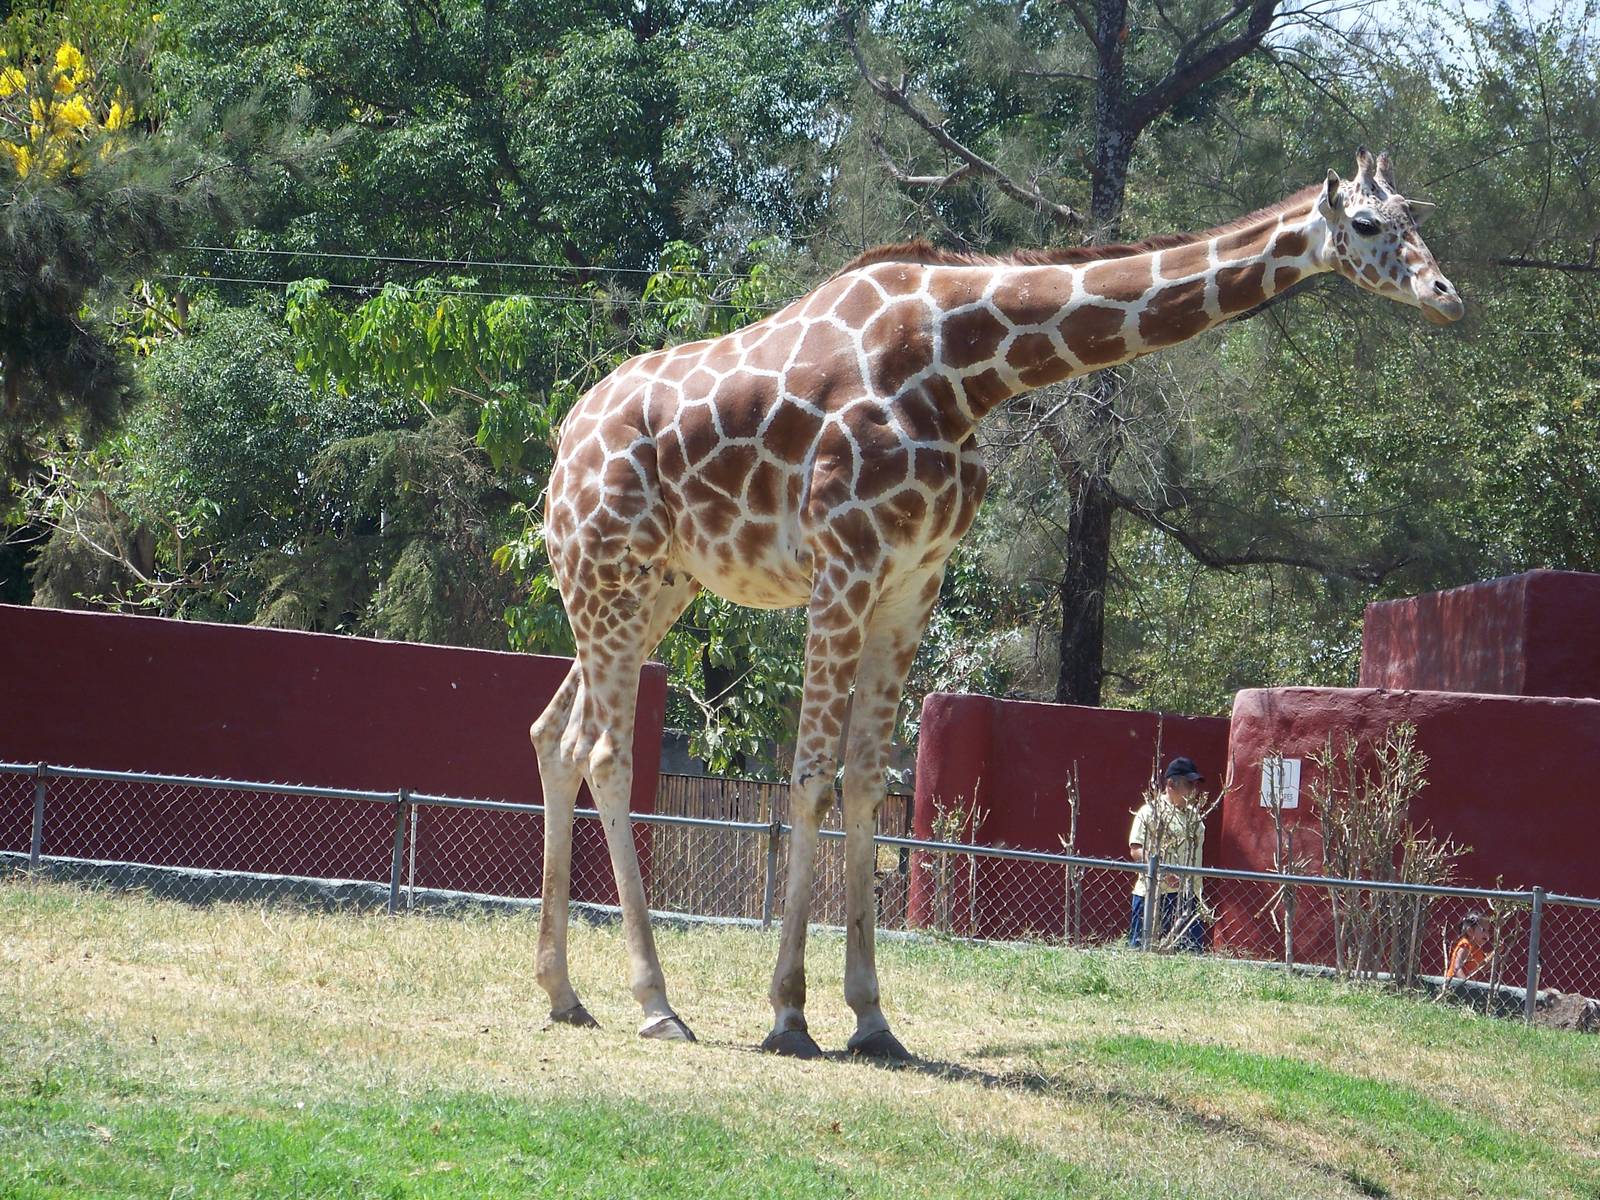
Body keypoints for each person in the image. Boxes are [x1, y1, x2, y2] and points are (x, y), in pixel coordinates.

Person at [1128, 756, 1208, 950]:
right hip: (1156, 894)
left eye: (1195, 785)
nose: (1193, 791)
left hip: (1190, 895)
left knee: (1190, 954)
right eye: (1189, 784)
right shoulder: (1150, 812)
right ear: (1171, 784)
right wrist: (1164, 873)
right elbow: (1136, 850)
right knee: (1145, 951)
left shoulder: (1194, 817)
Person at [1443, 913, 1495, 984]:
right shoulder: (1465, 945)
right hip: (1455, 983)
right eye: (1483, 930)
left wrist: (1495, 953)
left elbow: (1482, 967)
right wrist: (1466, 985)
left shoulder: (1477, 949)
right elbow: (1457, 967)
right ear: (1470, 931)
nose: (1487, 935)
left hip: (1467, 984)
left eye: (1488, 931)